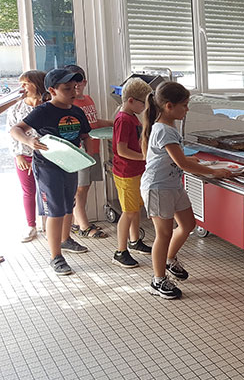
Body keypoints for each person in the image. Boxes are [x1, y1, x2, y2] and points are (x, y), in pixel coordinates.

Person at [141, 82, 232, 299]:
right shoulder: (163, 129)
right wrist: (213, 172)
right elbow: (182, 164)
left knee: (188, 224)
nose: (187, 109)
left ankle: (170, 259)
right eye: (185, 105)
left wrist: (190, 159)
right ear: (169, 106)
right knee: (162, 234)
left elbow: (174, 158)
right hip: (158, 187)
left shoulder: (168, 127)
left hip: (171, 185)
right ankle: (158, 279)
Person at [9, 68, 92, 275]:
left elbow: (85, 135)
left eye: (74, 87)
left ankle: (65, 240)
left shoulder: (76, 111)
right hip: (48, 167)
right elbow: (15, 129)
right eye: (67, 89)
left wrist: (87, 151)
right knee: (54, 210)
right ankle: (56, 257)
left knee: (67, 205)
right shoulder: (44, 111)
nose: (73, 92)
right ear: (52, 90)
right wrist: (29, 140)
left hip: (70, 164)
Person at [64, 64, 113, 238]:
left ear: (84, 82)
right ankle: (83, 225)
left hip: (93, 150)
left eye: (79, 82)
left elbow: (92, 122)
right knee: (80, 189)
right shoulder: (70, 104)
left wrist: (112, 123)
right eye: (71, 83)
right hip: (80, 153)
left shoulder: (88, 100)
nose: (76, 87)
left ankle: (78, 222)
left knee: (86, 187)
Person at [111, 78, 153, 268]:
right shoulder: (123, 119)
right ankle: (120, 251)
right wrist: (144, 157)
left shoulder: (131, 116)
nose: (145, 107)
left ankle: (135, 241)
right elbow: (121, 150)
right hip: (126, 172)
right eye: (143, 102)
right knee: (128, 212)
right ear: (131, 101)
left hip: (135, 170)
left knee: (135, 208)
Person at [6, 70, 47, 243]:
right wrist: (18, 156)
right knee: (28, 191)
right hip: (25, 156)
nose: (22, 87)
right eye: (21, 83)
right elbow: (11, 131)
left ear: (37, 84)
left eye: (26, 83)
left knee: (47, 192)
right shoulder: (17, 107)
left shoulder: (48, 105)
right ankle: (31, 225)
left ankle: (48, 223)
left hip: (46, 156)